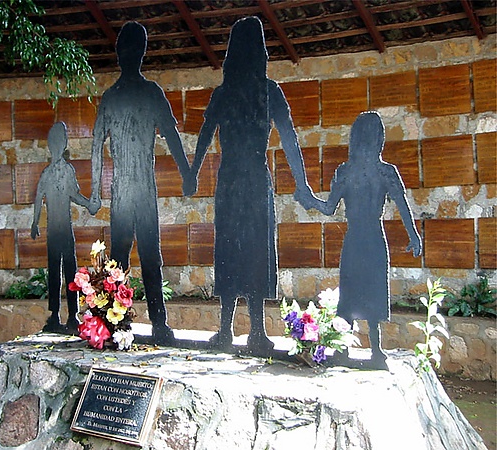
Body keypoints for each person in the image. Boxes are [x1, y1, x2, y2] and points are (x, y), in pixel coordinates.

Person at [189, 17, 315, 355]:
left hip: (232, 180)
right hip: (255, 180)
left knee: (233, 250)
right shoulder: (269, 91)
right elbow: (289, 140)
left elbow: (205, 135)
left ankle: (228, 329)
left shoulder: (225, 93)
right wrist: (302, 184)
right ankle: (254, 331)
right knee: (253, 250)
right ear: (259, 52)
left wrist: (193, 172)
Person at [89, 21, 193, 345]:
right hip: (124, 189)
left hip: (141, 188)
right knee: (121, 258)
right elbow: (96, 144)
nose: (129, 54)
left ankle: (157, 322)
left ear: (139, 53)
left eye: (134, 49)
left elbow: (171, 134)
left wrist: (187, 173)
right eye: (126, 49)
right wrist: (94, 191)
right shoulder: (115, 97)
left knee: (149, 256)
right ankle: (118, 323)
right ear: (120, 53)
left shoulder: (149, 93)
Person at [297, 111, 422, 369]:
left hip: (354, 240)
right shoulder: (386, 172)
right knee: (372, 290)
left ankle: (344, 350)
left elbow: (329, 208)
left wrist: (309, 200)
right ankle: (376, 351)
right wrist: (413, 236)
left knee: (351, 292)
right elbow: (403, 206)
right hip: (374, 238)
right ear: (379, 138)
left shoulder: (346, 171)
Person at [31, 121, 93, 334]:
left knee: (69, 272)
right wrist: (34, 222)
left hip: (64, 230)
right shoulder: (49, 173)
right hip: (55, 231)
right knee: (55, 273)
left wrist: (89, 204)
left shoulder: (65, 171)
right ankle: (56, 314)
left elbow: (74, 195)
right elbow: (39, 198)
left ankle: (72, 314)